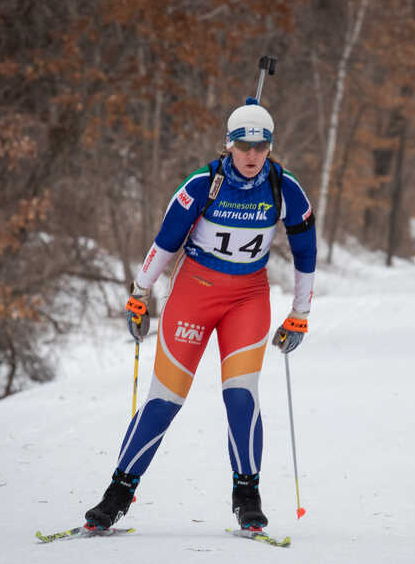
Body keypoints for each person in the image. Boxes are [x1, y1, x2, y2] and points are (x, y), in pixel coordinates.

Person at [84, 98, 316, 531]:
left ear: (270, 146)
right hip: (195, 294)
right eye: (243, 146)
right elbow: (166, 240)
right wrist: (139, 293)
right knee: (164, 400)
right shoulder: (202, 184)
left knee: (241, 396)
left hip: (248, 298)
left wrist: (300, 312)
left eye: (260, 146)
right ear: (228, 145)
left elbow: (306, 252)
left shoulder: (285, 188)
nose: (251, 156)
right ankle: (116, 495)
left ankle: (247, 497)